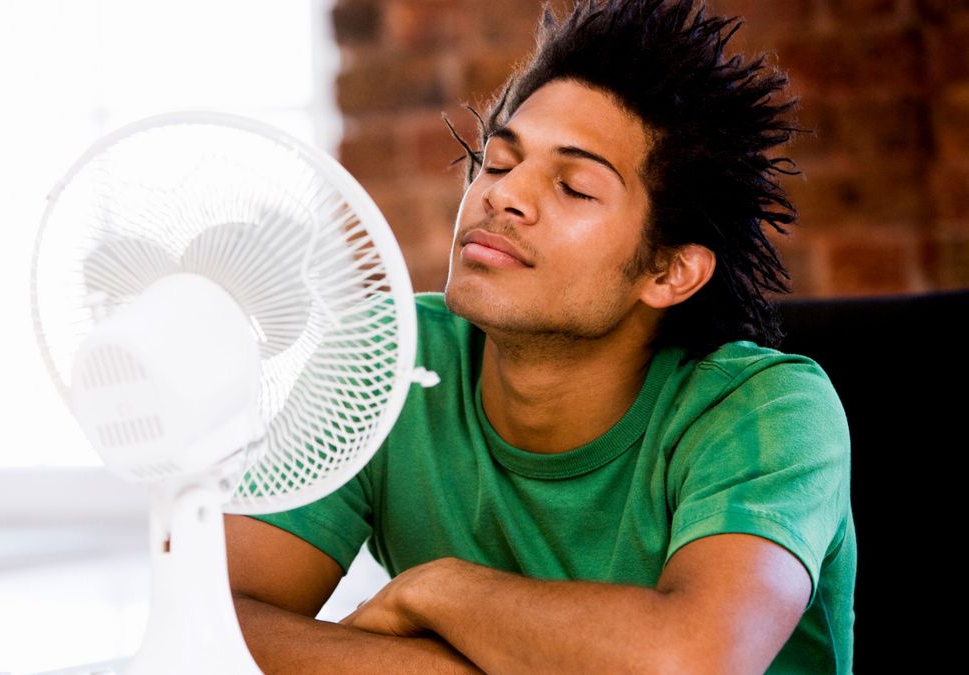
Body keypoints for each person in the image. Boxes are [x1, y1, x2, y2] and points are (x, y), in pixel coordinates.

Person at [226, 0, 856, 672]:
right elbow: (213, 617)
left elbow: (692, 657)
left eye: (573, 187)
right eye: (497, 164)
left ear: (669, 271)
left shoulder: (770, 412)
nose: (503, 197)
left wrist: (435, 591)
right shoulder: (387, 358)